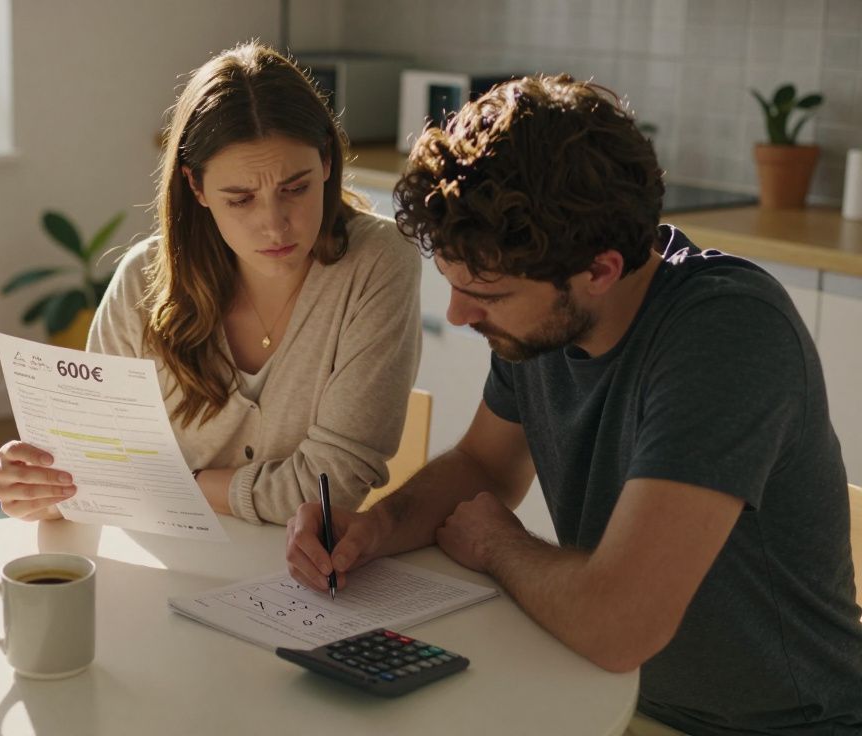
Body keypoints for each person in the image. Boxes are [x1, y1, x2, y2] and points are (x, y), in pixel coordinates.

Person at [286, 74, 862, 735]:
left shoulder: (726, 334)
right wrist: (374, 529)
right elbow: (482, 466)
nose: (459, 313)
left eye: (489, 295)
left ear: (601, 270)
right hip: (600, 691)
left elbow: (618, 625)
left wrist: (501, 545)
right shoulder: (544, 315)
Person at [0, 42, 422, 525]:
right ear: (196, 187)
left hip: (298, 580)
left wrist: (180, 485)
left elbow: (332, 490)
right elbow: (95, 474)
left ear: (326, 160)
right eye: (240, 199)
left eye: (295, 188)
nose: (275, 225)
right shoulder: (141, 283)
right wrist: (44, 493)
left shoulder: (379, 261)